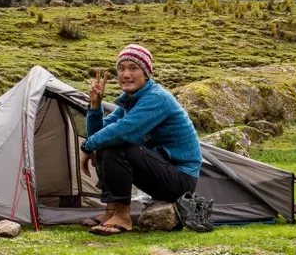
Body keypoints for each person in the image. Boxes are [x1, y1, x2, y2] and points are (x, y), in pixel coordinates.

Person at [79, 44, 206, 235]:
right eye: (121, 69)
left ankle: (123, 217)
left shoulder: (157, 98)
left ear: (146, 73)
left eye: (133, 68)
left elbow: (122, 131)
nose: (125, 74)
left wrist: (86, 147)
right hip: (161, 171)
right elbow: (99, 134)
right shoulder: (131, 101)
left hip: (181, 180)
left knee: (117, 143)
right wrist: (95, 107)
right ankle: (111, 212)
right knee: (107, 141)